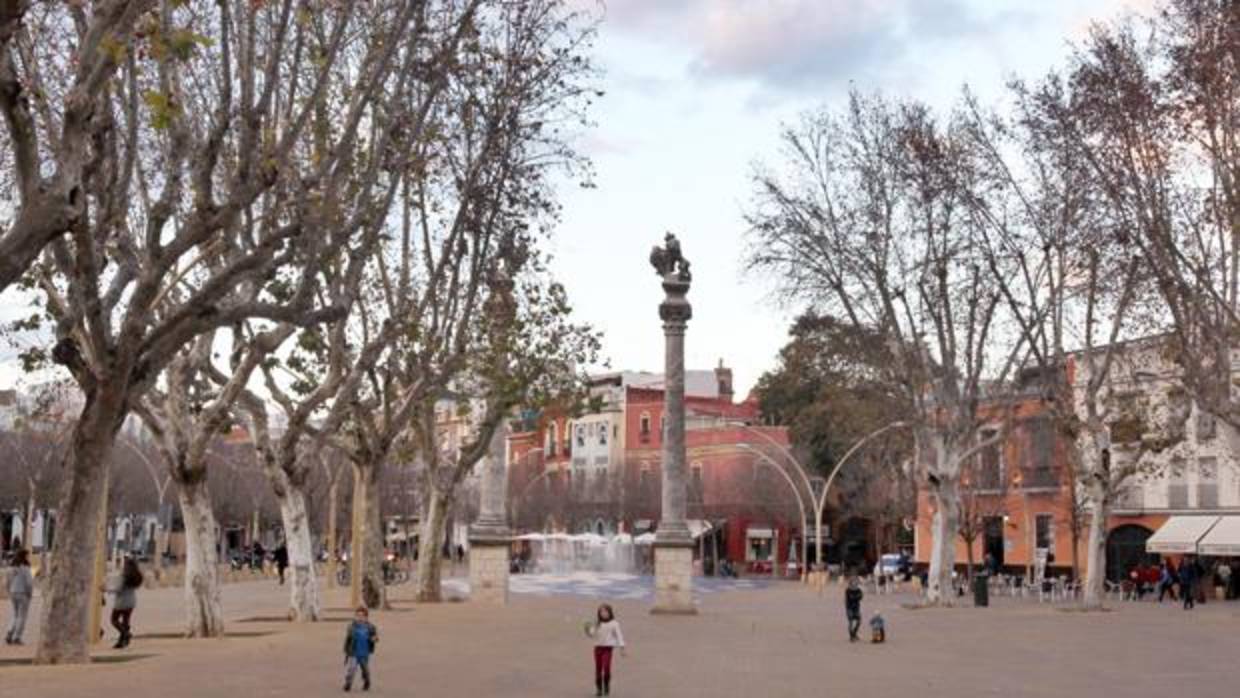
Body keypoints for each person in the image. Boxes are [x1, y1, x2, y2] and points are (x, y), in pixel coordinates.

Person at [585, 603, 626, 697]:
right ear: (599, 613)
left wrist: (622, 648)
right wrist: (589, 629)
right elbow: (592, 634)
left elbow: (619, 636)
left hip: (608, 649)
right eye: (601, 612)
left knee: (606, 668)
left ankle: (606, 687)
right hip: (597, 648)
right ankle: (599, 690)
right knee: (598, 669)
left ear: (610, 612)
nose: (603, 613)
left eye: (605, 611)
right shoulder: (597, 623)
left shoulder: (614, 623)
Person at [107, 557, 144, 649]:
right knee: (125, 622)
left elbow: (117, 589)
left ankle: (126, 634)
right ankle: (122, 641)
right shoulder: (137, 576)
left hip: (121, 602)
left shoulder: (123, 576)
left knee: (114, 620)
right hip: (131, 602)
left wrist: (105, 589)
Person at [342, 606, 378, 692]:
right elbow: (348, 639)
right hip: (353, 652)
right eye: (358, 616)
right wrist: (346, 650)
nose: (360, 618)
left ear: (366, 617)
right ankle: (348, 683)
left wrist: (374, 638)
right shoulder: (352, 627)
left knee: (365, 670)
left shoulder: (370, 627)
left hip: (364, 653)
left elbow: (375, 637)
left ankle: (366, 681)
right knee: (352, 669)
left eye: (362, 616)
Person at [5, 549, 33, 645]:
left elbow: (7, 582)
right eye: (27, 555)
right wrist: (30, 593)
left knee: (15, 615)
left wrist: (9, 591)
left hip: (13, 592)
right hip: (23, 593)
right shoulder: (25, 568)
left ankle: (9, 632)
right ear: (24, 556)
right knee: (22, 616)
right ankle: (17, 637)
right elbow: (29, 583)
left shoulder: (11, 568)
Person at [845, 577, 864, 642]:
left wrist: (857, 597)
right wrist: (857, 597)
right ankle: (851, 637)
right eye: (853, 583)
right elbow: (851, 598)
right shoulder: (847, 590)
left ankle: (854, 633)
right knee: (851, 622)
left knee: (859, 621)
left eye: (855, 583)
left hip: (856, 608)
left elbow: (861, 597)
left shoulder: (858, 590)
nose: (854, 584)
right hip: (849, 608)